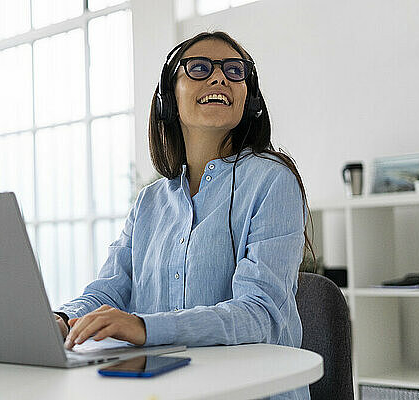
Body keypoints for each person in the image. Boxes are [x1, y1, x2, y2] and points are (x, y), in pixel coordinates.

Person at [53, 31, 315, 399]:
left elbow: (261, 314)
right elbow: (108, 290)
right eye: (199, 68)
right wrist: (62, 320)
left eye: (234, 71)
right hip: (165, 390)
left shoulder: (272, 180)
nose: (220, 77)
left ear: (249, 99)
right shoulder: (149, 203)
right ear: (168, 100)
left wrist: (144, 328)